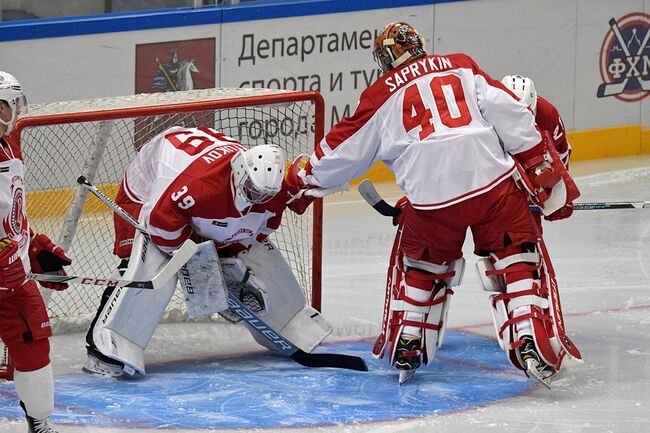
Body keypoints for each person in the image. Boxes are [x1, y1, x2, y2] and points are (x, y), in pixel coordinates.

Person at [285, 22, 582, 386]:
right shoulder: (460, 64)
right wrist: (540, 167)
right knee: (516, 257)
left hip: (430, 199)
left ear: (383, 59)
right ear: (419, 45)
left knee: (423, 268)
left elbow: (344, 151)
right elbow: (510, 111)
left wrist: (302, 180)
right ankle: (529, 334)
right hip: (492, 183)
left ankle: (409, 335)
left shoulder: (380, 94)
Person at [84, 125, 329, 377]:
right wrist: (200, 266)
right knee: (149, 263)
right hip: (150, 182)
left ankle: (292, 318)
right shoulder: (198, 187)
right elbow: (161, 226)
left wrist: (226, 259)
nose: (257, 198)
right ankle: (106, 344)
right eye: (253, 191)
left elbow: (255, 234)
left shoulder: (269, 192)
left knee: (240, 247)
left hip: (199, 175)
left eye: (264, 194)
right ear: (239, 173)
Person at [0, 71, 72, 432]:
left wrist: (34, 247)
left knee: (34, 348)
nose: (14, 113)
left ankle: (39, 424)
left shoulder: (8, 146)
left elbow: (11, 216)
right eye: (8, 106)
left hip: (12, 280)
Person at [501, 74, 573, 225]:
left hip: (529, 169)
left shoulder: (547, 115)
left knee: (528, 233)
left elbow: (561, 152)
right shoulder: (487, 110)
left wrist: (561, 192)